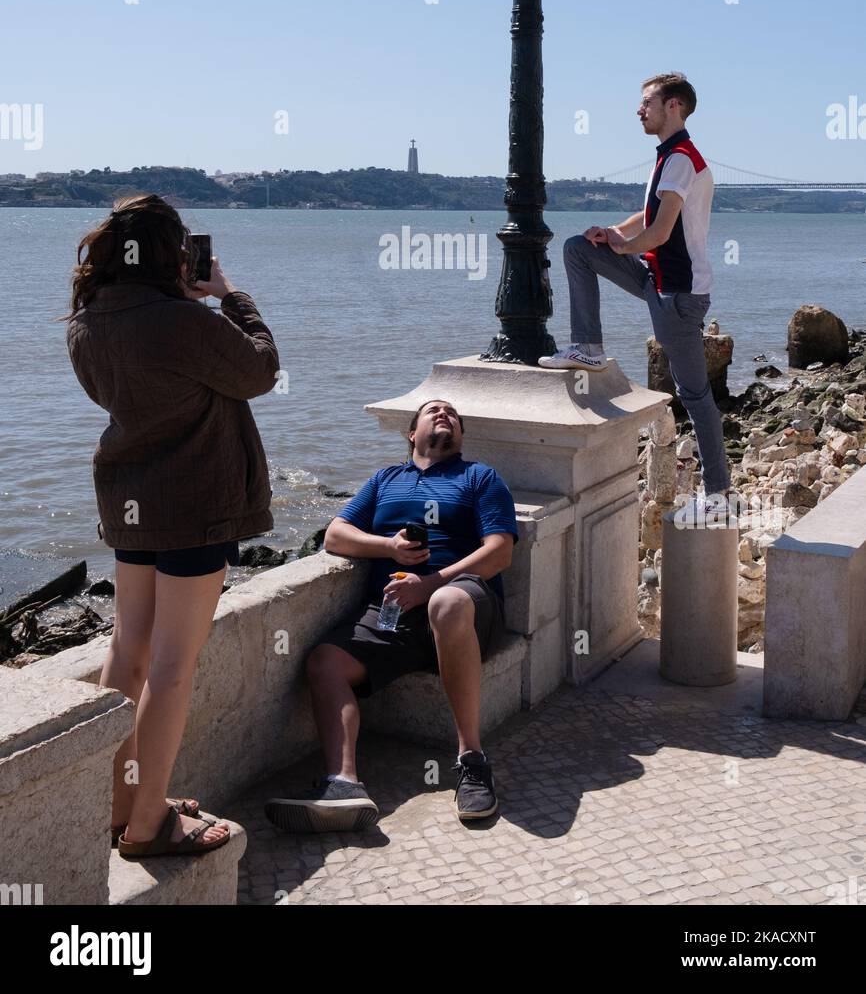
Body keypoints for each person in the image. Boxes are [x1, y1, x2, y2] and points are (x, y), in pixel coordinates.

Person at [66, 193, 280, 859]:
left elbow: (137, 391)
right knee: (172, 667)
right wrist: (230, 295)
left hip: (129, 499)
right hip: (193, 506)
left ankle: (123, 801)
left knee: (127, 652)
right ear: (170, 251)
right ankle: (149, 824)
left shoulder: (87, 322)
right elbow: (260, 370)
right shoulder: (180, 321)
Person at [264, 398, 517, 832]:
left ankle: (471, 762)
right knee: (324, 662)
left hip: (464, 608)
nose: (445, 416)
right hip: (394, 616)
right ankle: (343, 784)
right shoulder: (386, 479)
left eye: (452, 414)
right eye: (433, 411)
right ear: (411, 434)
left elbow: (499, 551)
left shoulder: (479, 477)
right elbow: (336, 536)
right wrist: (389, 547)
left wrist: (430, 584)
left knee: (446, 603)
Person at [540, 73, 730, 509]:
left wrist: (624, 246)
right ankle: (587, 346)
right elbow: (646, 214)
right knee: (580, 249)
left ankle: (718, 490)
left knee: (695, 396)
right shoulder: (667, 158)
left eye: (647, 102)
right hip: (655, 280)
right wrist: (612, 234)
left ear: (674, 107)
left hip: (678, 295)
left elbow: (661, 231)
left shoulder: (681, 158)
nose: (639, 109)